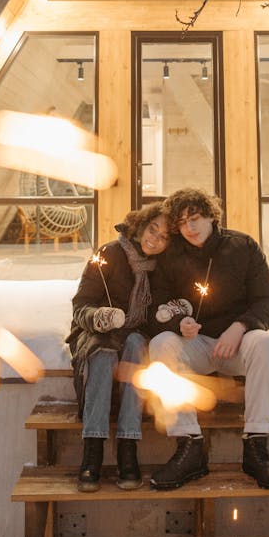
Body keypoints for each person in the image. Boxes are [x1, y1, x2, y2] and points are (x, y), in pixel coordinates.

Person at [147, 187, 269, 491]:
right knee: (160, 345)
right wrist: (176, 321)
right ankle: (189, 446)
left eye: (195, 218)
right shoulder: (171, 256)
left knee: (264, 343)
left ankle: (256, 447)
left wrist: (241, 327)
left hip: (237, 344)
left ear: (211, 215)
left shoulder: (242, 247)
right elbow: (157, 305)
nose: (190, 228)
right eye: (182, 223)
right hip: (195, 346)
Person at [67, 203, 170, 491]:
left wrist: (168, 316)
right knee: (103, 354)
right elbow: (81, 305)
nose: (156, 239)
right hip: (97, 333)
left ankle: (128, 447)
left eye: (165, 237)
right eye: (153, 229)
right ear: (141, 224)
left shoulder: (161, 269)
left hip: (135, 336)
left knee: (137, 344)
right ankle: (93, 449)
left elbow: (158, 318)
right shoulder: (109, 254)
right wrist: (99, 317)